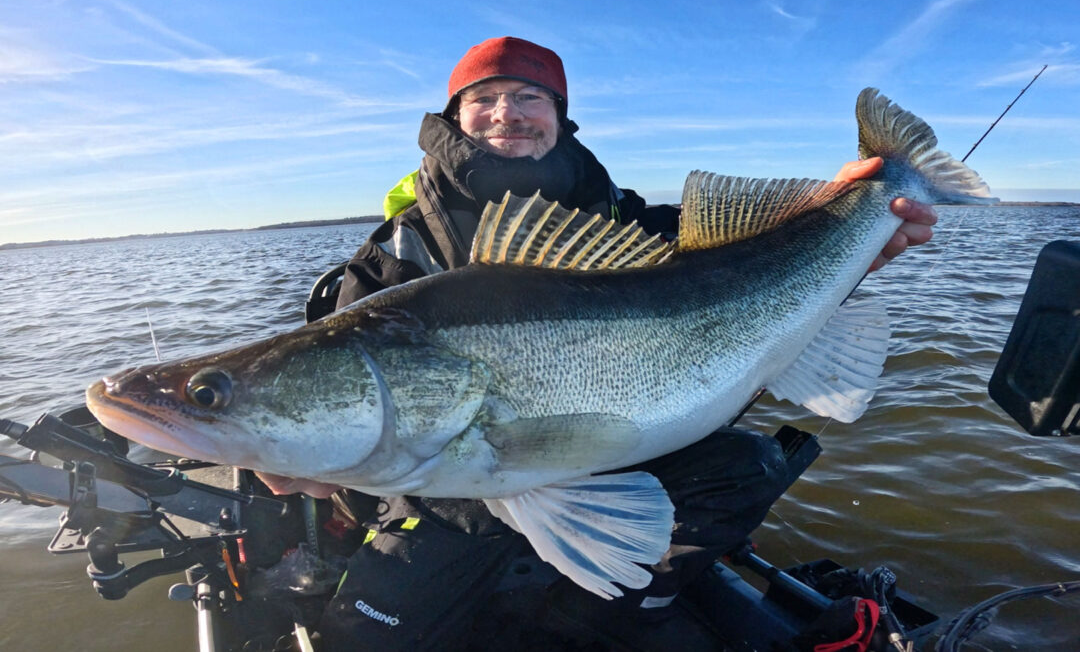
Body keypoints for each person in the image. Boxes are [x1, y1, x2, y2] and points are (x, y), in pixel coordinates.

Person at [258, 37, 938, 650]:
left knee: (749, 465)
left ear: (559, 116)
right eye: (484, 99)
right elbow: (351, 378)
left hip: (615, 460)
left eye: (529, 97)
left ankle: (612, 609)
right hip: (450, 498)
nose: (507, 113)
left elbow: (740, 256)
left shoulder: (626, 214)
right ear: (453, 118)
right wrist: (331, 474)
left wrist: (852, 233)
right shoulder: (393, 251)